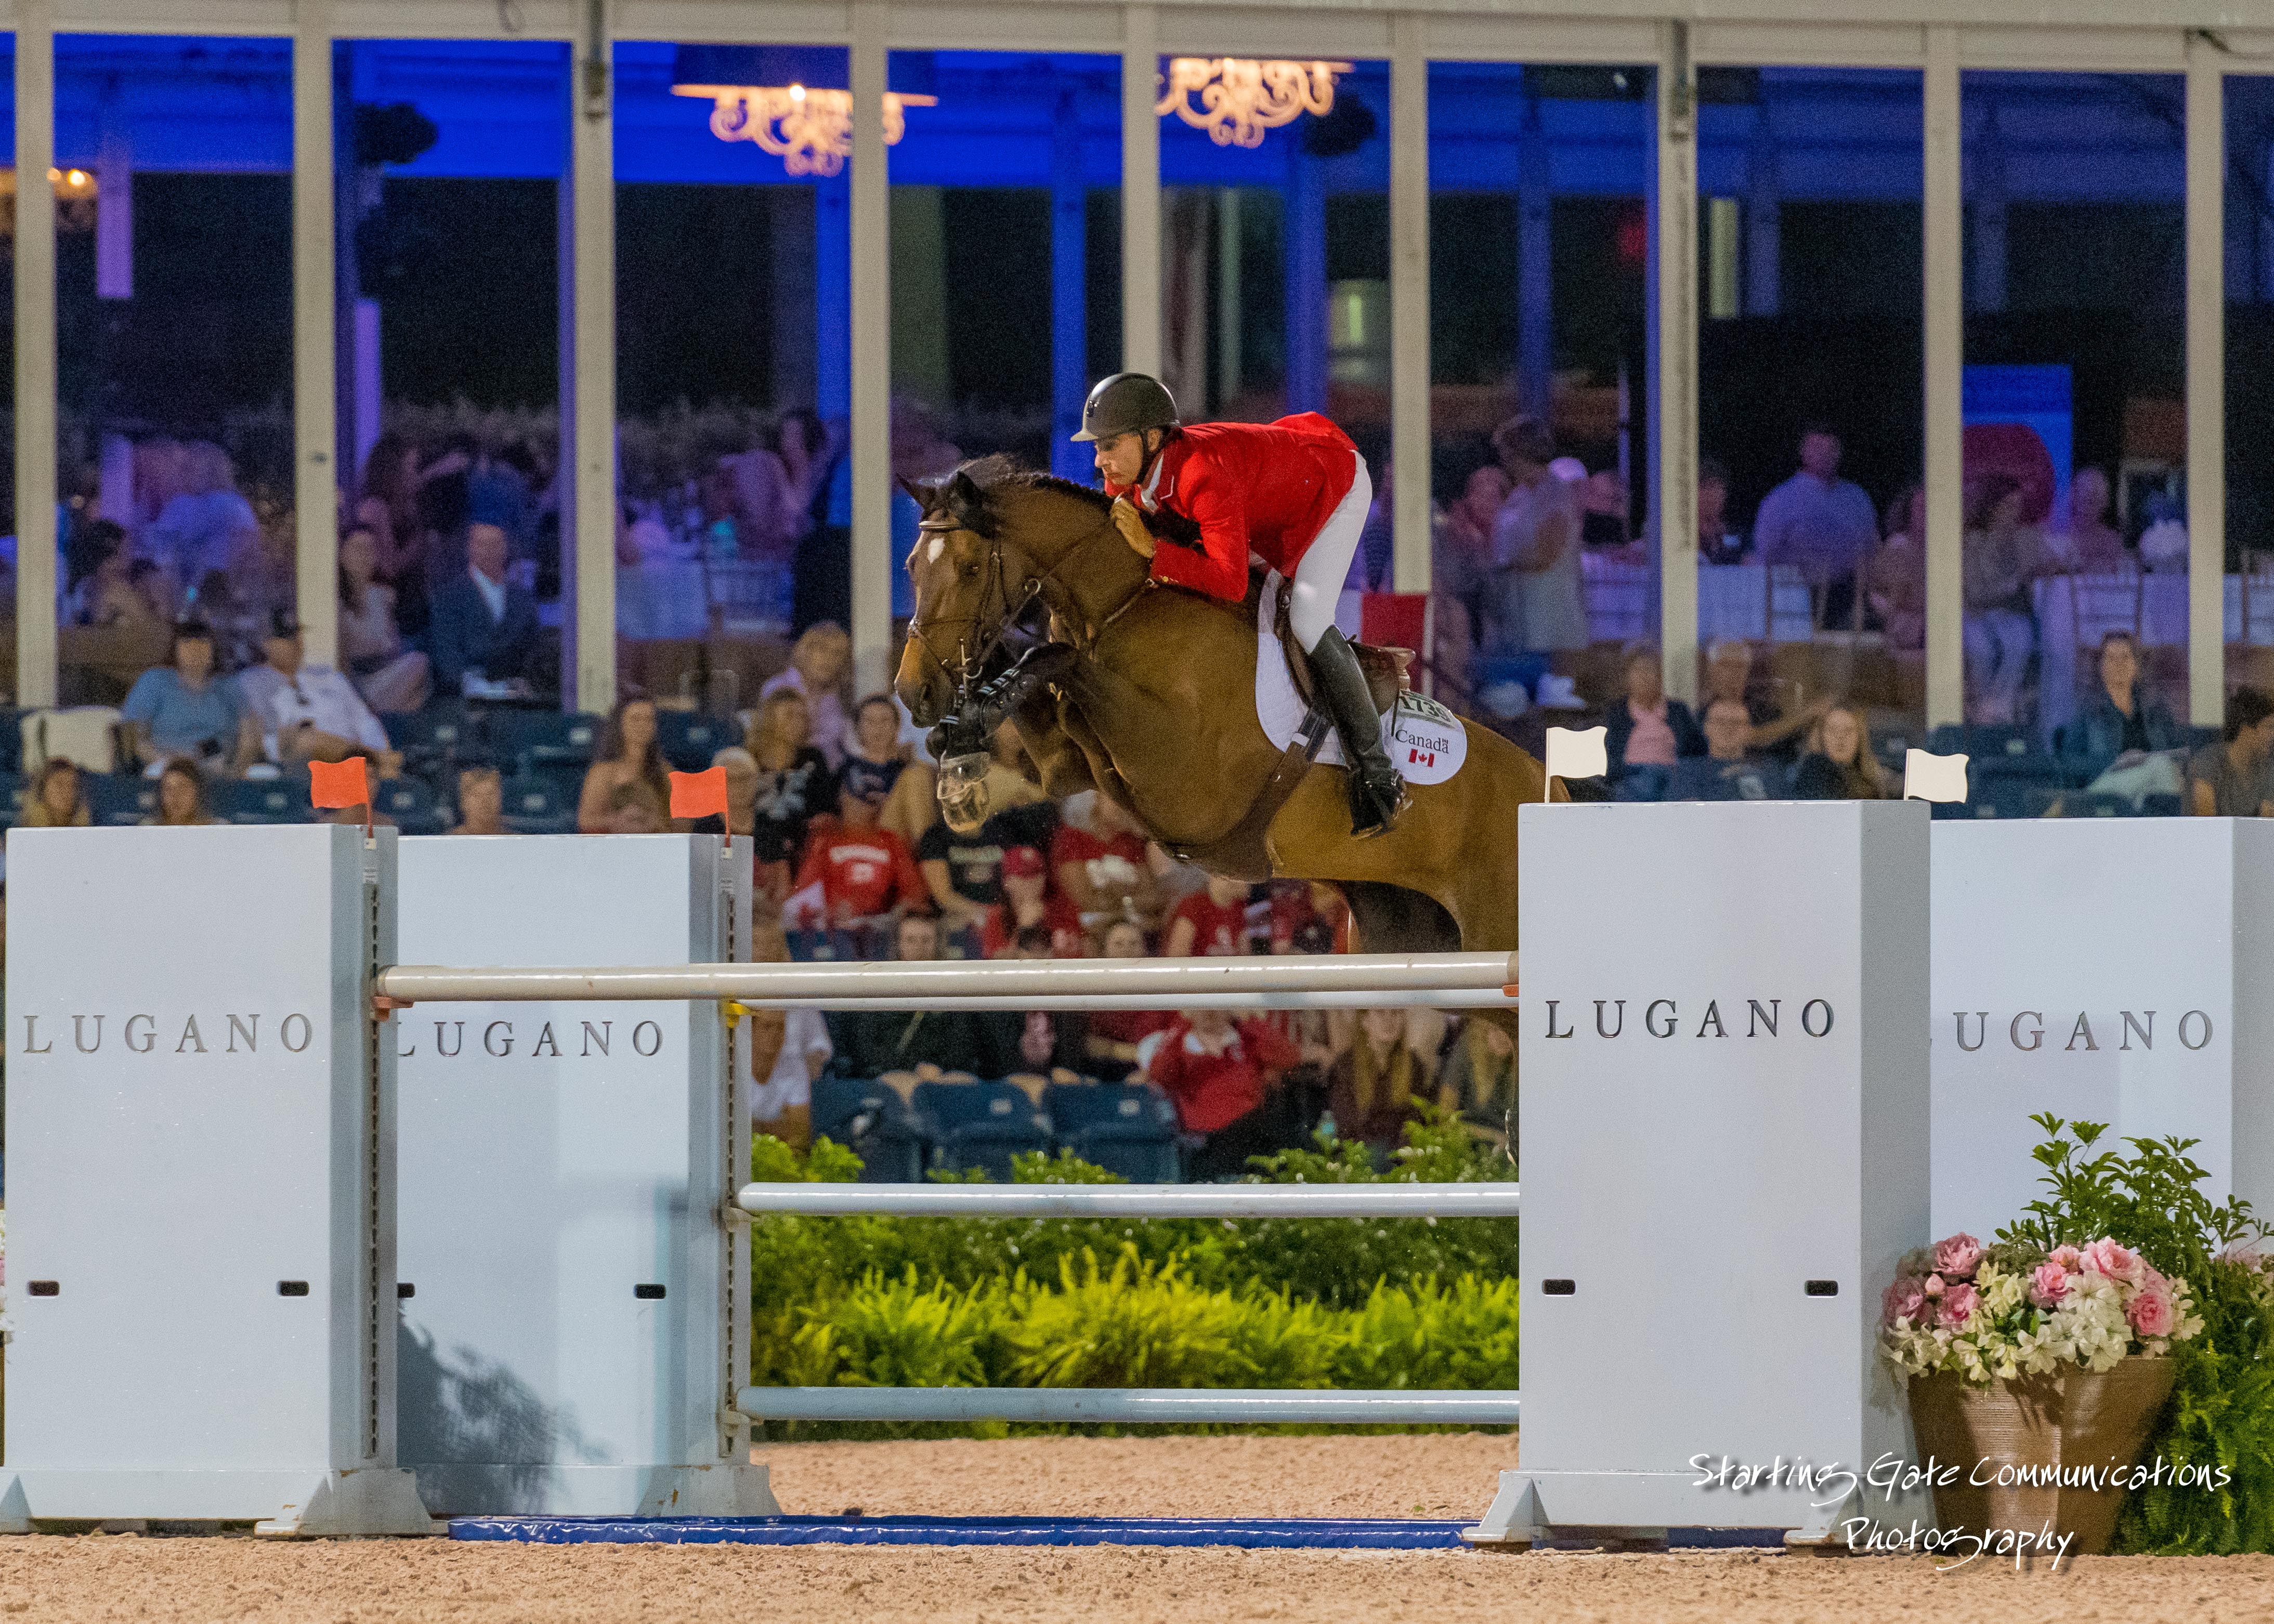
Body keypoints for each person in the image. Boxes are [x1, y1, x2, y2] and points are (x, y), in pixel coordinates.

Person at [1076, 371, 1407, 836]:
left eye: (1110, 445)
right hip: (1273, 495)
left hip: (1333, 489)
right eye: (1097, 447)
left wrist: (1154, 552)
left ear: (1151, 438)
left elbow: (1230, 583)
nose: (1100, 460)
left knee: (1308, 619)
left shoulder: (1203, 474)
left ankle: (1377, 773)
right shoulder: (1129, 479)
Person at [1141, 1007, 1300, 1181]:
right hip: (1208, 1144)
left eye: (1216, 1004)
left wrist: (1249, 1020)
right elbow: (1159, 1073)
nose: (1209, 1011)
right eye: (1202, 1005)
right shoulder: (1182, 1047)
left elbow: (1289, 1057)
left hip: (1252, 1138)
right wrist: (1182, 1022)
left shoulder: (1244, 1041)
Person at [1754, 423, 1880, 630]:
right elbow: (1765, 557)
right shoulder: (1780, 501)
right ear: (1803, 452)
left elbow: (1871, 553)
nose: (1825, 455)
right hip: (1795, 600)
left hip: (1847, 601)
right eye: (1817, 448)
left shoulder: (1857, 499)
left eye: (1831, 448)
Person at [236, 609, 399, 769]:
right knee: (309, 738)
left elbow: (365, 721)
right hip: (307, 765)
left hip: (362, 763)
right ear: (267, 643)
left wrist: (381, 753)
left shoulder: (327, 676)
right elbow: (271, 737)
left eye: (296, 635)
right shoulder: (253, 682)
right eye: (286, 638)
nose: (295, 643)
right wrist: (372, 757)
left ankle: (375, 764)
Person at [1484, 415, 1588, 664]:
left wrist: (1501, 567)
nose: (1504, 462)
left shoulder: (1557, 494)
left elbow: (1545, 555)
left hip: (1551, 615)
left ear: (1520, 454)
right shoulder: (1518, 497)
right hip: (1518, 616)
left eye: (1506, 454)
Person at [789, 770, 927, 929]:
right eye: (855, 798)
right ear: (842, 797)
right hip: (837, 928)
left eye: (869, 802)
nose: (860, 807)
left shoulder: (891, 841)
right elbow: (801, 900)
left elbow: (915, 895)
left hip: (881, 927)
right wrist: (830, 913)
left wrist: (898, 912)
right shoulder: (827, 839)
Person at [1962, 473, 2041, 726]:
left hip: (2010, 614)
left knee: (2021, 640)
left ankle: (1997, 711)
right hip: (1975, 612)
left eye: (2018, 506)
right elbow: (1974, 593)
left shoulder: (2026, 539)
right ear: (1992, 507)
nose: (2013, 513)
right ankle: (1983, 714)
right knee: (1982, 650)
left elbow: (2046, 565)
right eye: (2008, 506)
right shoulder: (1973, 542)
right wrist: (2012, 586)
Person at [428, 520, 540, 698]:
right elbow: (447, 657)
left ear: (506, 549)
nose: (489, 550)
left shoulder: (523, 599)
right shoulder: (449, 597)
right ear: (469, 549)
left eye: (495, 544)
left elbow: (534, 650)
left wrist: (524, 683)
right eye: (482, 544)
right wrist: (492, 691)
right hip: (464, 702)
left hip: (519, 701)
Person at [121, 620, 251, 773]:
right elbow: (133, 735)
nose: (195, 649)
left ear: (214, 649)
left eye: (203, 642)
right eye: (187, 642)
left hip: (219, 772)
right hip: (165, 770)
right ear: (175, 649)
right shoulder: (154, 681)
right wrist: (167, 763)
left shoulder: (230, 687)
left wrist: (235, 773)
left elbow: (250, 737)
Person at [746, 689, 838, 901]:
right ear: (770, 720)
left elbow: (825, 809)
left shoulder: (813, 758)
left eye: (802, 716)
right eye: (790, 715)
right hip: (758, 848)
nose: (798, 722)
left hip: (801, 846)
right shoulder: (750, 761)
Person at [1327, 1007, 1451, 1163]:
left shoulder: (1414, 1065)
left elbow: (1416, 1122)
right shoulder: (1345, 1067)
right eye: (1380, 1013)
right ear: (1365, 1021)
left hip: (1401, 1157)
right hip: (1360, 1157)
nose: (1389, 1020)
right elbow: (1347, 1127)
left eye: (1396, 1013)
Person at [749, 926, 830, 1147]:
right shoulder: (732, 1064)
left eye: (771, 943)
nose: (763, 951)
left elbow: (799, 1133)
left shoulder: (798, 996)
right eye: (756, 943)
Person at [338, 524, 432, 714]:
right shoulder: (336, 602)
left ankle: (377, 718)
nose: (365, 556)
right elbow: (345, 655)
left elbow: (392, 646)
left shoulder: (383, 595)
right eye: (358, 549)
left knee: (419, 666)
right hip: (355, 682)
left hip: (383, 676)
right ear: (343, 555)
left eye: (370, 549)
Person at [1603, 642, 1704, 800]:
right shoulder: (1616, 713)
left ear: (1660, 676)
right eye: (1638, 670)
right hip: (1630, 781)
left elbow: (1697, 754)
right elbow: (1609, 760)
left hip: (1671, 781)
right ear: (1628, 677)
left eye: (1650, 670)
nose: (1644, 677)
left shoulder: (1678, 711)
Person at [1051, 792, 1161, 934]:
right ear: (1096, 800)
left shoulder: (1132, 841)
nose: (1122, 805)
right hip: (1085, 931)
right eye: (1114, 798)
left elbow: (1150, 897)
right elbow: (1082, 899)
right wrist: (1127, 898)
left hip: (1128, 929)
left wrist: (1117, 900)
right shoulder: (1074, 838)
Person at [1702, 638, 1823, 762]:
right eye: (1725, 665)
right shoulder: (1703, 713)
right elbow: (1750, 736)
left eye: (1739, 667)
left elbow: (1788, 744)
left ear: (1747, 671)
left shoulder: (1764, 710)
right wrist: (1808, 714)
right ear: (1713, 671)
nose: (1732, 673)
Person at [1084, 917, 1172, 1079]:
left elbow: (1172, 1040)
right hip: (1103, 1073)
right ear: (1104, 951)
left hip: (1154, 1072)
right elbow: (1090, 1045)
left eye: (1134, 944)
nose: (1127, 950)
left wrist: (1149, 1072)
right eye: (1118, 944)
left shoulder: (1160, 991)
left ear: (1145, 950)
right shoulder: (1092, 993)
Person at [759, 623, 853, 767]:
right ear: (806, 652)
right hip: (788, 768)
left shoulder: (839, 696)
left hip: (832, 772)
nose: (829, 659)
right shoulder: (778, 687)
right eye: (822, 650)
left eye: (837, 653)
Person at [578, 698, 671, 834]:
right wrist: (617, 821)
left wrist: (655, 823)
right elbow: (586, 821)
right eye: (635, 719)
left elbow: (682, 825)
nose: (643, 725)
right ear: (620, 724)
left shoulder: (665, 772)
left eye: (649, 719)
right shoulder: (603, 772)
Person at [978, 845, 1086, 960]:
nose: (1031, 882)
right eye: (1023, 876)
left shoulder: (1063, 910)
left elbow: (1086, 952)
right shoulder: (997, 916)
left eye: (1036, 874)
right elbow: (996, 962)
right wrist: (1024, 927)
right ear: (1007, 882)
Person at [2187, 687, 2274, 818]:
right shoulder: (2208, 763)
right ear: (2246, 730)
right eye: (2269, 727)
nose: (2273, 735)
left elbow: (2268, 818)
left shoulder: (2266, 768)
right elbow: (2204, 822)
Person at [1673, 697, 1779, 801]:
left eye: (1736, 723)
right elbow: (1688, 809)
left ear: (1749, 730)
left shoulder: (1769, 771)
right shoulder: (1686, 771)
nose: (1728, 728)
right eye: (1720, 721)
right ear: (1706, 727)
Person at [1436, 1017, 1517, 1155]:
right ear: (1482, 1033)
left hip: (1508, 1151)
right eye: (1496, 1030)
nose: (1503, 1037)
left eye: (1508, 1031)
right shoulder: (1466, 1054)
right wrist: (1493, 1136)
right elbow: (1444, 1120)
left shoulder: (1520, 1064)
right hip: (1469, 1146)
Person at [1867, 485, 1927, 652]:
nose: (1925, 514)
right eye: (1920, 508)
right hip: (1904, 625)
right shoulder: (1897, 547)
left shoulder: (1943, 550)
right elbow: (1882, 593)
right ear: (1909, 513)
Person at [1793, 704, 1889, 800]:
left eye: (1848, 730)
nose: (1840, 737)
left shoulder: (1870, 779)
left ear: (1860, 737)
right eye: (1832, 730)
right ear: (1820, 736)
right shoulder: (1814, 773)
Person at [2049, 468, 2129, 573]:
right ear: (2073, 495)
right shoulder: (2054, 533)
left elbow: (2115, 573)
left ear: (2105, 503)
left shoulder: (2110, 540)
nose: (2087, 507)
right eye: (2084, 497)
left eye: (2094, 500)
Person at [1162, 872, 1253, 959]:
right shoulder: (1195, 905)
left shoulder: (1238, 909)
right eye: (1231, 874)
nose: (1243, 880)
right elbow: (1177, 957)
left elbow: (1245, 956)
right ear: (1214, 876)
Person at [1696, 456, 1748, 566]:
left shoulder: (1724, 533)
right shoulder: (1675, 533)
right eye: (1708, 519)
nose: (1719, 527)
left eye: (1718, 517)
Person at [142, 758, 219, 827]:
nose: (175, 795)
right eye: (169, 789)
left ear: (198, 792)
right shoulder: (147, 828)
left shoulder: (218, 829)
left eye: (183, 788)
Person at [22, 758, 92, 828]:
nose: (67, 791)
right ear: (43, 789)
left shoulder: (85, 830)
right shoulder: (28, 830)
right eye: (59, 784)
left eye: (72, 785)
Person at [448, 765, 508, 836]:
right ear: (464, 801)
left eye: (490, 794)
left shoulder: (514, 839)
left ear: (500, 797)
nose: (485, 802)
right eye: (477, 795)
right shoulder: (449, 840)